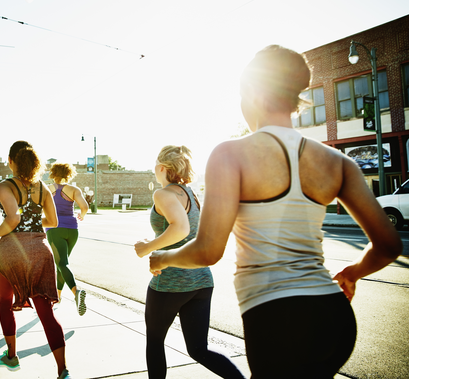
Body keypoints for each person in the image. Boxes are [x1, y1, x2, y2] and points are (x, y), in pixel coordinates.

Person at [148, 45, 403, 378]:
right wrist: (352, 272)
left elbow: (208, 251)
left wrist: (163, 259)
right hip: (334, 315)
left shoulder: (230, 154)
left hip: (275, 315)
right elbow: (389, 246)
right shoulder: (338, 162)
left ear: (251, 92)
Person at [134, 146, 245, 379]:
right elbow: (184, 229)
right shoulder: (190, 193)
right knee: (198, 349)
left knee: (155, 342)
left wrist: (148, 248)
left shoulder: (163, 194)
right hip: (201, 281)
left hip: (171, 282)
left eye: (155, 164)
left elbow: (181, 229)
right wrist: (156, 242)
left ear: (162, 167)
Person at [0, 141, 71, 379]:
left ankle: (11, 357)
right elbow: (53, 221)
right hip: (40, 251)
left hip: (11, 251)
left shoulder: (5, 186)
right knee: (46, 314)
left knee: (5, 303)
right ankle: (62, 370)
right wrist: (32, 223)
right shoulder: (43, 187)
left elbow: (12, 218)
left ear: (11, 160)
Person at [46, 162, 90, 316]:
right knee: (62, 264)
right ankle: (57, 297)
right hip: (72, 230)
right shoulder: (74, 190)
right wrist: (82, 216)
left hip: (54, 229)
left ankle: (76, 291)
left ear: (52, 174)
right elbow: (84, 207)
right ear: (69, 173)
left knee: (62, 263)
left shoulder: (48, 189)